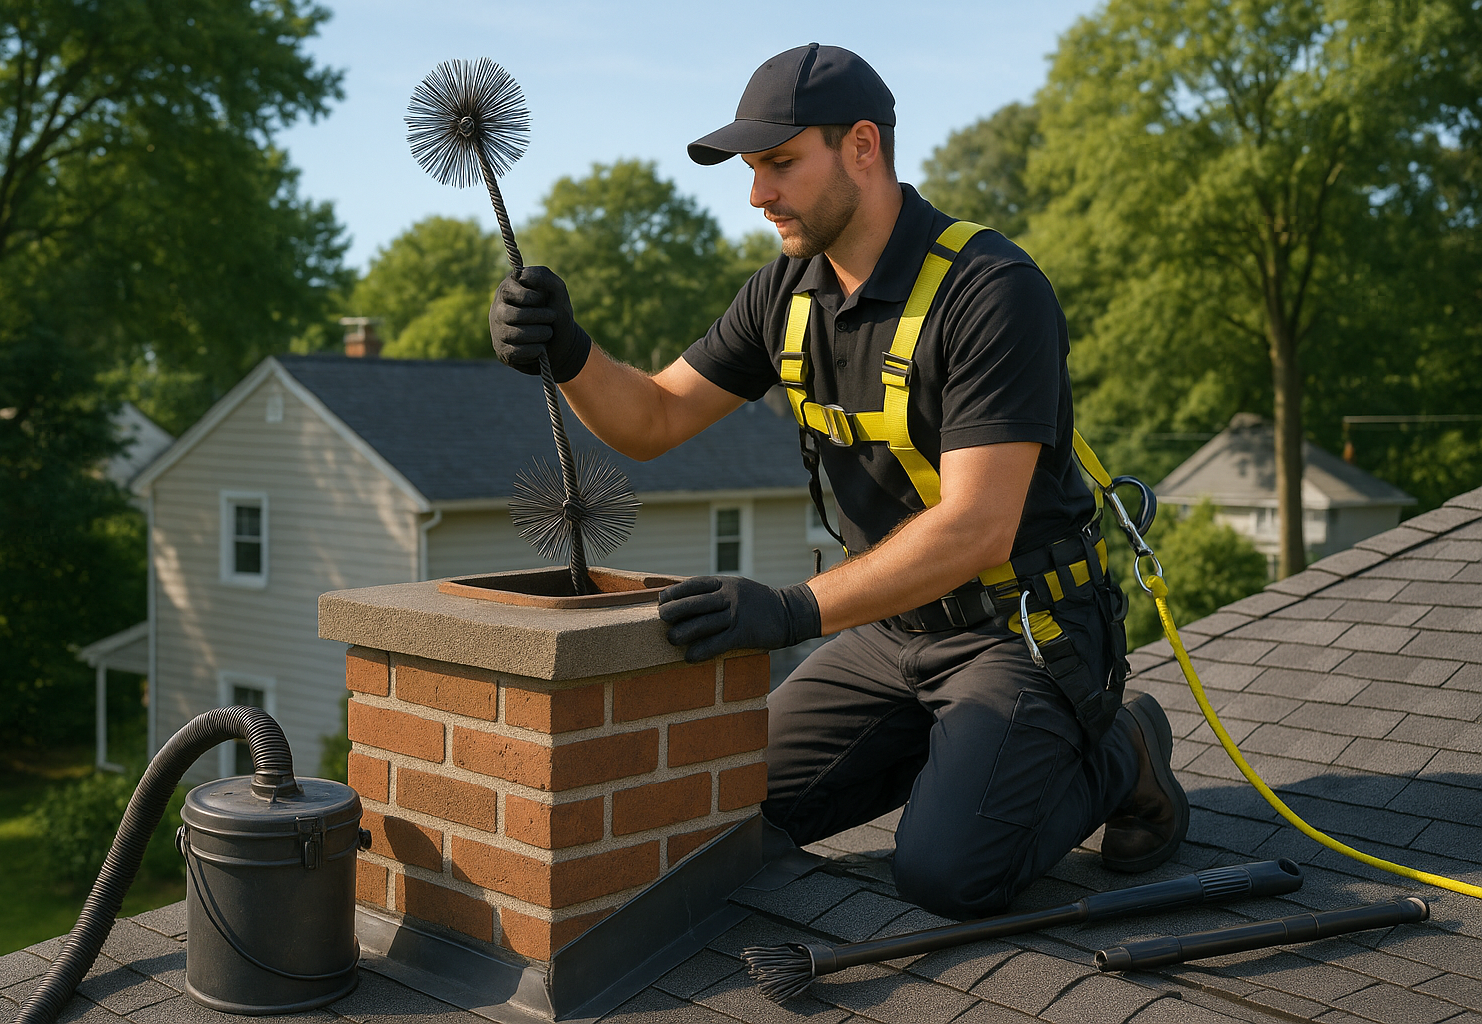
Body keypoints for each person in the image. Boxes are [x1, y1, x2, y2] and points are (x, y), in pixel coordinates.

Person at [488, 43, 1189, 919]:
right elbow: (655, 418)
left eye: (780, 164)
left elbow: (977, 524)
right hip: (887, 633)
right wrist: (568, 351)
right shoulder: (783, 295)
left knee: (948, 875)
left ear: (862, 146)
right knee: (715, 813)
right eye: (751, 170)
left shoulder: (991, 290)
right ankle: (966, 759)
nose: (757, 195)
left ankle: (1125, 747)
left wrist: (789, 611)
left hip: (1020, 631)